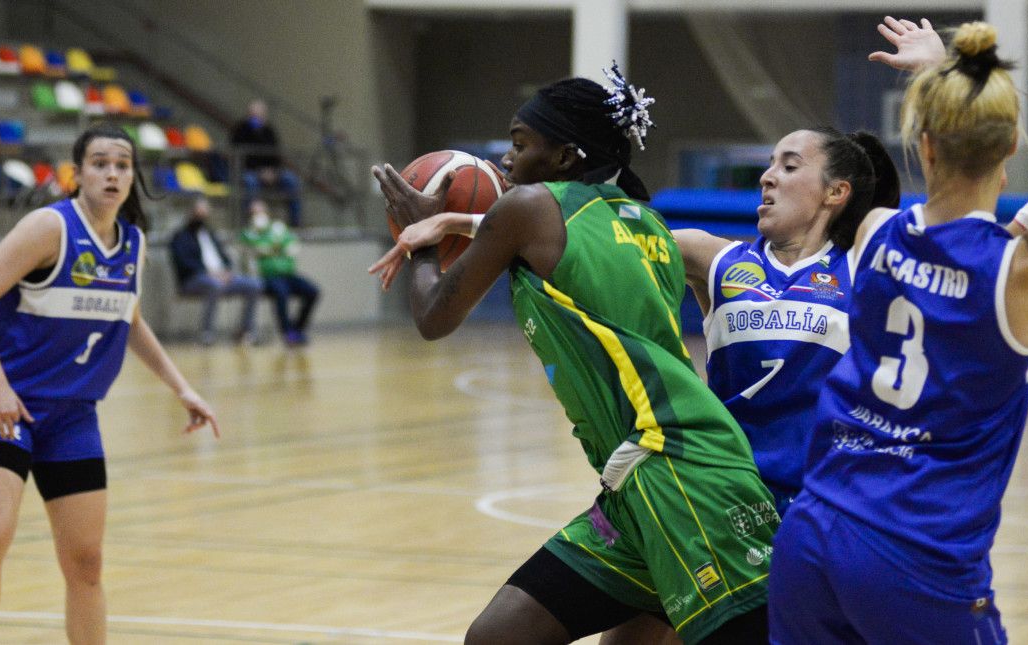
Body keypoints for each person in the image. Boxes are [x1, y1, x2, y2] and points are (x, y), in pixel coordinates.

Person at [372, 65, 777, 644]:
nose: (506, 161)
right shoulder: (646, 223)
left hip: (679, 474)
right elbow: (526, 228)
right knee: (498, 637)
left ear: (564, 156)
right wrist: (461, 221)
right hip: (636, 487)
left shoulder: (531, 210)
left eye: (519, 144)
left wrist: (422, 242)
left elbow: (434, 316)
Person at [768, 19, 1028, 644]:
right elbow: (992, 259)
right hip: (915, 558)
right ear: (1013, 144)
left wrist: (941, 75)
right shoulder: (1023, 273)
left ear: (924, 144)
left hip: (811, 537)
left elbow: (949, 253)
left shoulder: (875, 230)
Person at [0, 123, 219, 645]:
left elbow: (131, 321)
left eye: (122, 165)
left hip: (72, 416)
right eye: (100, 163)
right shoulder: (48, 227)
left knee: (87, 562)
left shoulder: (133, 243)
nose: (113, 173)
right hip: (3, 407)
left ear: (133, 177)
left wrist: (181, 387)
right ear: (77, 175)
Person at [169, 196, 263, 345]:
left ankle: (246, 331)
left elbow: (226, 258)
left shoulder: (211, 234)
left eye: (205, 213)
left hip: (221, 277)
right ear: (191, 213)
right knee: (214, 285)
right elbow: (184, 263)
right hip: (194, 280)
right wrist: (210, 273)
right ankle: (207, 333)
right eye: (199, 213)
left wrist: (226, 271)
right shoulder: (180, 236)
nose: (202, 216)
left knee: (254, 285)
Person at [239, 198, 320, 345]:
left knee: (313, 291)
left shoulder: (278, 227)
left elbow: (291, 247)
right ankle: (287, 333)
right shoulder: (248, 233)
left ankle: (297, 329)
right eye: (254, 212)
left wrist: (270, 249)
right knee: (281, 294)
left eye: (260, 211)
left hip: (288, 274)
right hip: (267, 276)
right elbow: (256, 250)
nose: (258, 215)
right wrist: (275, 247)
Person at [230, 98, 302, 227]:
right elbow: (240, 156)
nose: (256, 117)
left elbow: (276, 155)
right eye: (253, 114)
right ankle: (249, 224)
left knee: (291, 179)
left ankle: (296, 224)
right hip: (250, 172)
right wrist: (260, 172)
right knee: (249, 181)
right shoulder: (240, 130)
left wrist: (273, 172)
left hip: (271, 172)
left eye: (259, 114)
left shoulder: (269, 131)